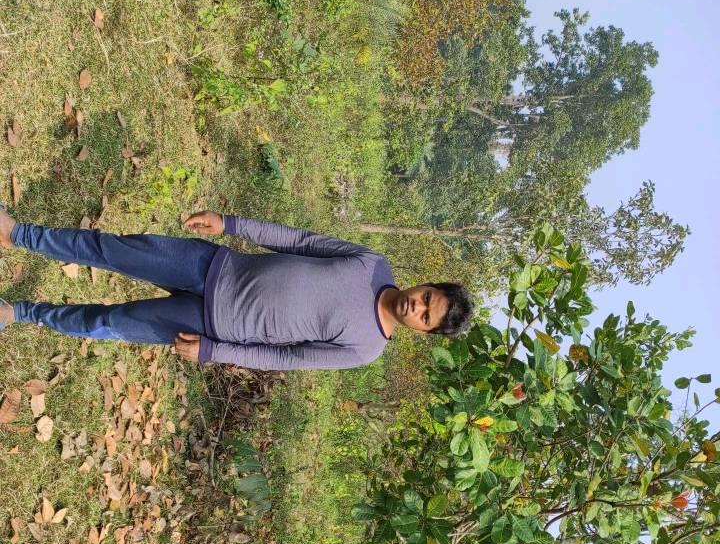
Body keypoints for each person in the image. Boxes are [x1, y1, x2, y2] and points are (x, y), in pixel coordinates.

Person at [0, 204, 474, 369]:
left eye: (425, 317)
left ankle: (19, 313)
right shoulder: (372, 264)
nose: (416, 307)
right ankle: (17, 234)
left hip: (209, 325)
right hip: (211, 266)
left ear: (424, 332)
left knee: (109, 322)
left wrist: (213, 351)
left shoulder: (366, 349)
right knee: (113, 249)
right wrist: (230, 223)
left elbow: (287, 359)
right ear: (427, 284)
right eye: (427, 297)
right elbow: (300, 241)